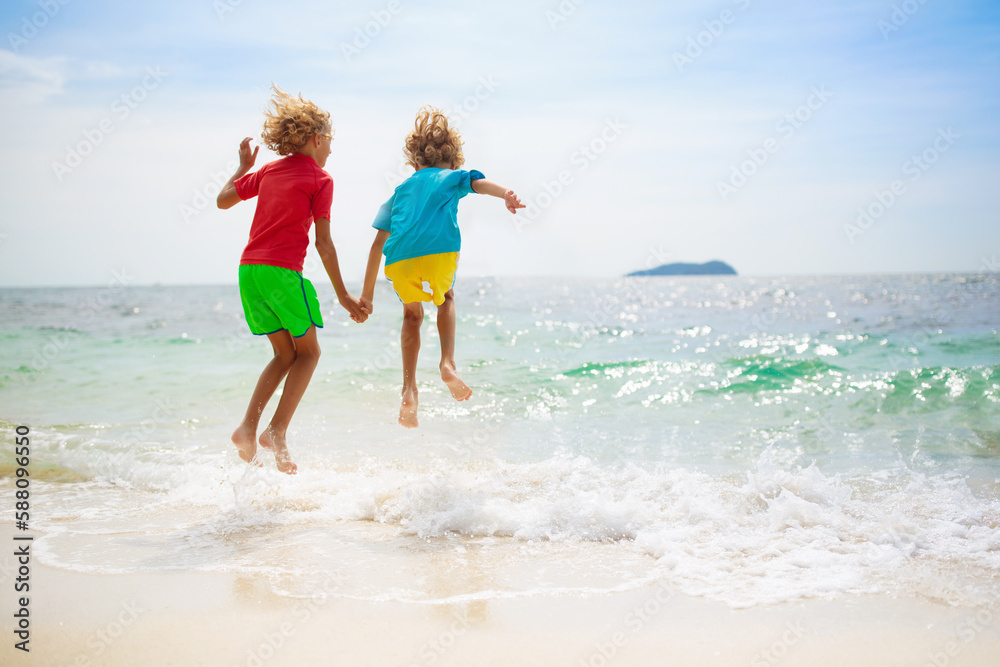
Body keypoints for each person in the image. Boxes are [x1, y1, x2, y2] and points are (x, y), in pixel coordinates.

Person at [216, 84, 367, 474]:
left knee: (286, 354)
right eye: (330, 142)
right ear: (316, 140)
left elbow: (223, 199)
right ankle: (276, 431)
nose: (331, 149)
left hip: (249, 271)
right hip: (282, 273)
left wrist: (242, 168)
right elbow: (324, 244)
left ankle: (247, 428)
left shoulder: (267, 171)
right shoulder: (321, 179)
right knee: (311, 353)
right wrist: (344, 296)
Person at [360, 106, 524, 428]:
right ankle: (447, 364)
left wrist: (367, 296)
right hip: (438, 253)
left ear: (414, 163)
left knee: (411, 315)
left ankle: (409, 389)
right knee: (445, 298)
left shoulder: (400, 190)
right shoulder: (451, 177)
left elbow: (377, 243)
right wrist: (506, 194)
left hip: (399, 259)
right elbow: (478, 184)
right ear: (453, 162)